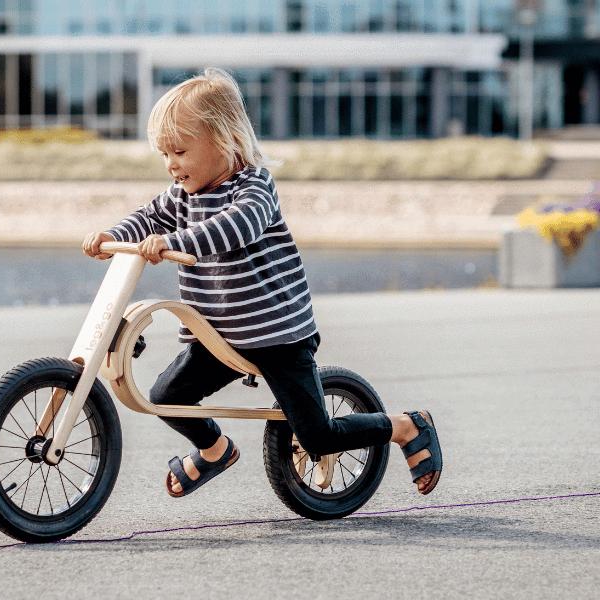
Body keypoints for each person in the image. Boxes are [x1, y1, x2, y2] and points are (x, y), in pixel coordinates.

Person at [83, 67, 442, 498]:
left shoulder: (253, 187)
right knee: (166, 395)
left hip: (277, 335)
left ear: (224, 139)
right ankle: (215, 450)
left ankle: (405, 426)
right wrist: (114, 236)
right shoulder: (182, 194)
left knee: (317, 436)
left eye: (179, 151)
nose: (170, 164)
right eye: (164, 155)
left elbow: (235, 228)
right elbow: (147, 216)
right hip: (216, 336)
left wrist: (173, 241)